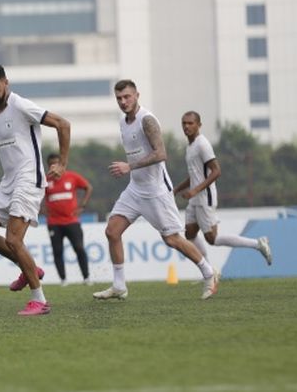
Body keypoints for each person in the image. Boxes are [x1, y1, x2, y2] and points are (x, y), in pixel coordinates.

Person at [0, 64, 71, 316]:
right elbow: (5, 134)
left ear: (6, 82)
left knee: (14, 240)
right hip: (8, 181)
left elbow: (62, 124)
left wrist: (62, 163)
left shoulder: (21, 105)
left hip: (28, 179)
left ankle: (39, 300)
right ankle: (30, 268)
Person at [93, 80, 220, 301]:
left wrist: (128, 166)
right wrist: (131, 170)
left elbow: (161, 154)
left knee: (172, 239)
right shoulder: (123, 122)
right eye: (119, 98)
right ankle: (119, 286)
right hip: (135, 189)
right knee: (112, 231)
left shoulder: (147, 120)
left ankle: (209, 273)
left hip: (156, 191)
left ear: (137, 95)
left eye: (127, 97)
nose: (123, 102)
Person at [173, 111, 272, 265]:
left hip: (205, 197)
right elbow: (195, 174)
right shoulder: (190, 146)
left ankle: (257, 244)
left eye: (190, 123)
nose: (186, 126)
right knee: (190, 233)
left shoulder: (202, 144)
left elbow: (216, 171)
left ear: (199, 125)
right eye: (184, 123)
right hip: (195, 198)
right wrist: (176, 189)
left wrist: (195, 190)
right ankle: (209, 273)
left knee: (213, 239)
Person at [43, 153, 93, 286]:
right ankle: (63, 279)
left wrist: (82, 206)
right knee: (57, 251)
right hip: (54, 223)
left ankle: (86, 277)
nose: (54, 167)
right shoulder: (45, 180)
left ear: (62, 164)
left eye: (57, 164)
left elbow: (88, 187)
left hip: (72, 221)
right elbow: (38, 196)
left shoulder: (72, 177)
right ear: (48, 166)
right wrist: (42, 210)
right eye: (51, 164)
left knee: (79, 248)